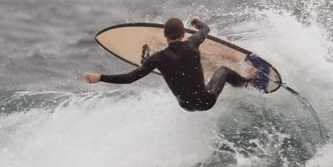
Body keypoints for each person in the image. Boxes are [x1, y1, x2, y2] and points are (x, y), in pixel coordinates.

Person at [85, 17, 252, 111]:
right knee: (222, 70)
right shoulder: (192, 43)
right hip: (205, 101)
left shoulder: (157, 58)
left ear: (165, 36)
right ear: (183, 33)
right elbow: (205, 29)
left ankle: (153, 66)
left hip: (185, 105)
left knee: (172, 73)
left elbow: (130, 78)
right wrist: (196, 22)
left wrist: (100, 77)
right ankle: (246, 82)